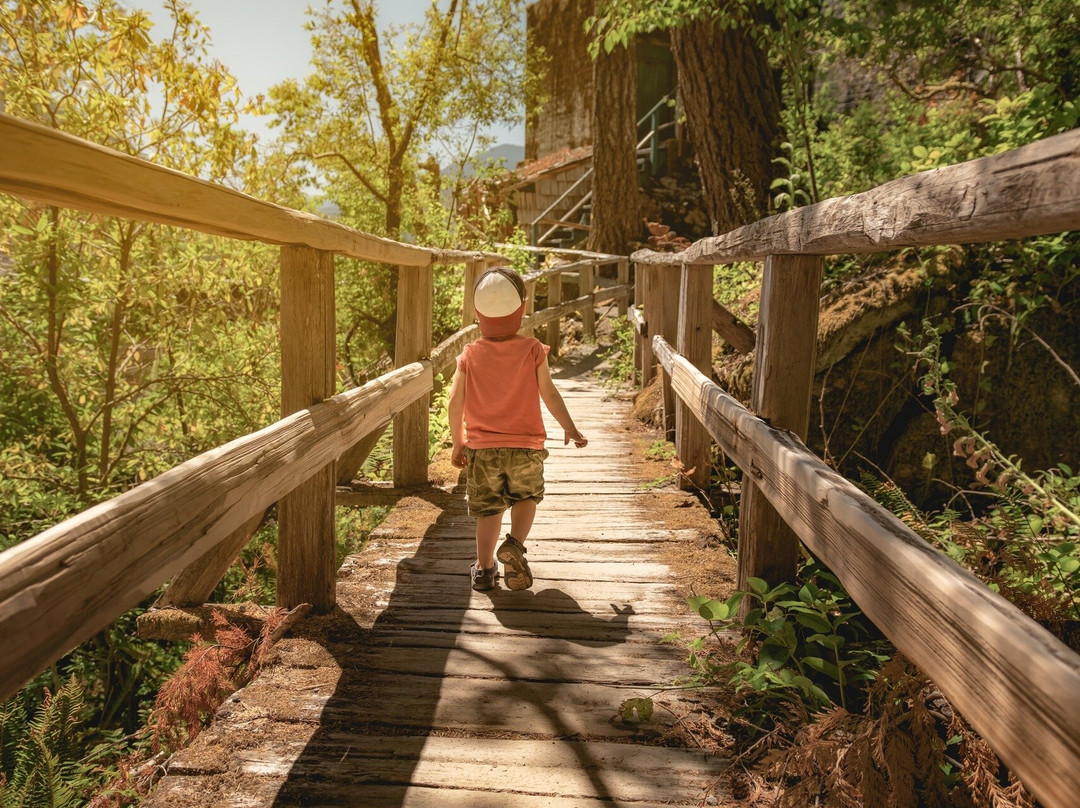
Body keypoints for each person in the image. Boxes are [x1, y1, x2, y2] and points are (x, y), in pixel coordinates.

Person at [448, 266, 588, 591]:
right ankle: (515, 544)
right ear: (523, 308)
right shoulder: (532, 350)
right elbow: (549, 393)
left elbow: (455, 402)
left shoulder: (470, 354)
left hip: (482, 450)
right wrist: (570, 427)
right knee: (526, 497)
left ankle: (484, 569)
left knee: (488, 508)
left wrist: (459, 442)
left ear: (477, 312)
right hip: (526, 446)